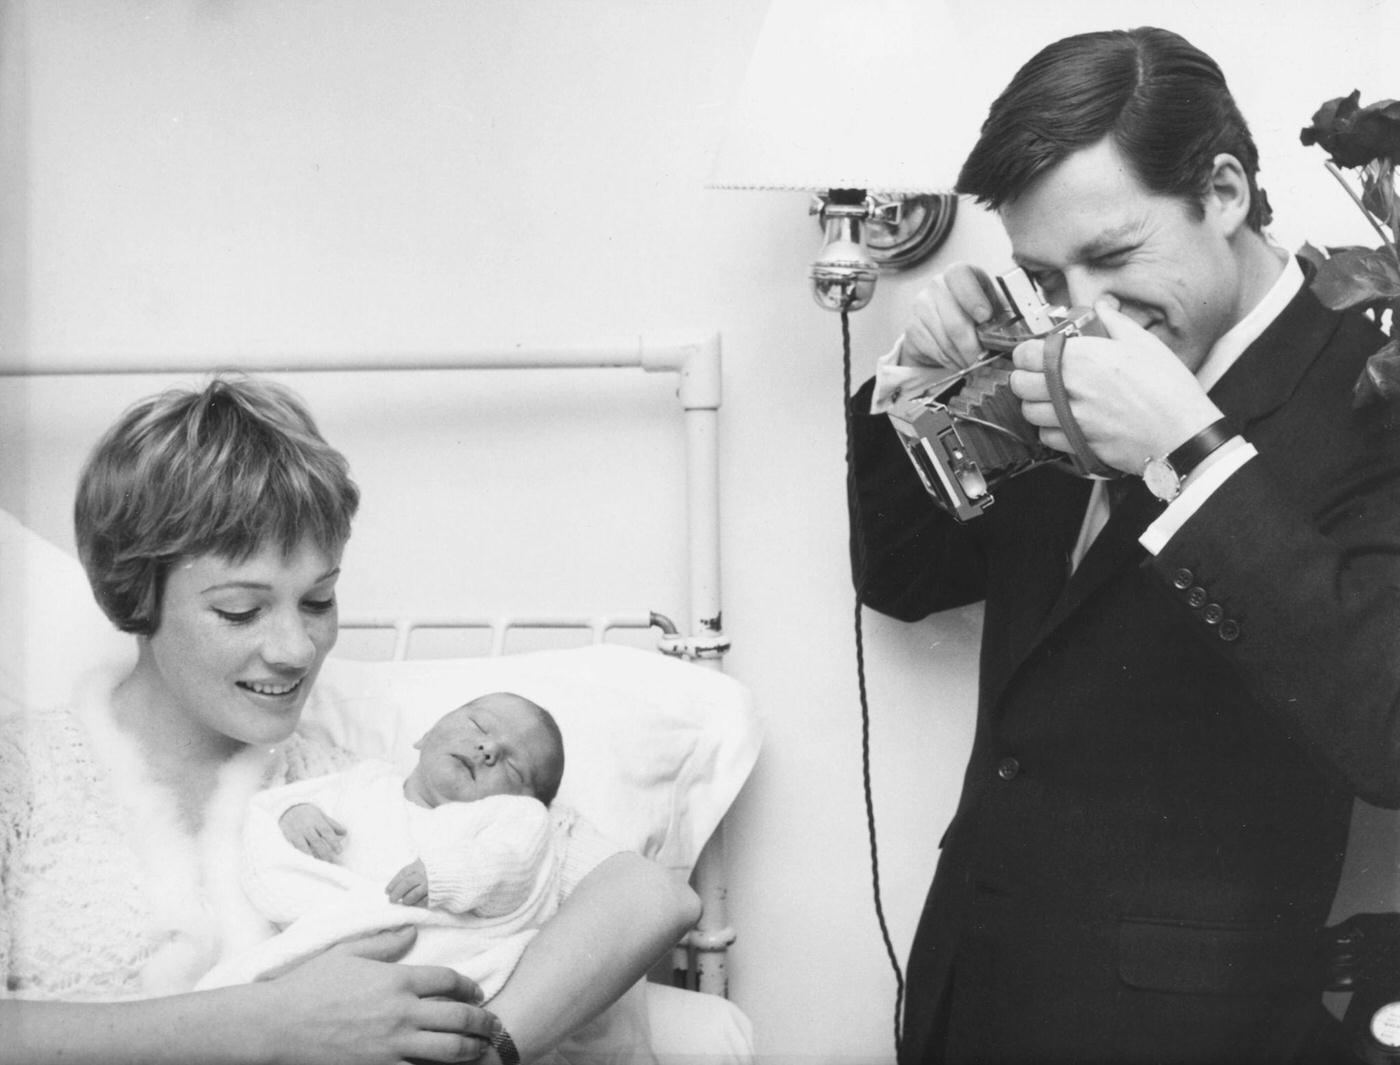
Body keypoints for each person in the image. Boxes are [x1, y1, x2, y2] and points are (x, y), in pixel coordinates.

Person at [848, 26, 1400, 1065]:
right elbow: (905, 577)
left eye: (1111, 256)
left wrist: (1189, 456)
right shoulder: (1053, 347)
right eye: (1046, 276)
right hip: (969, 982)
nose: (1084, 313)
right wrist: (908, 383)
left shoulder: (1372, 389)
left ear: (1224, 190)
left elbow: (1387, 729)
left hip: (1185, 1028)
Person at [0, 374, 700, 1065]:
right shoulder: (23, 776)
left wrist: (486, 1048)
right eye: (240, 610)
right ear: (137, 593)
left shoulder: (369, 782)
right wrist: (265, 1025)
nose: (296, 649)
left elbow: (650, 894)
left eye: (317, 600)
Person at [200, 693, 570, 1000]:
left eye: (514, 765)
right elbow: (269, 810)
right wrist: (296, 816)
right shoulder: (366, 780)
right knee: (237, 990)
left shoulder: (514, 814)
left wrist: (448, 875)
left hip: (419, 955)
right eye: (478, 725)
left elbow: (510, 864)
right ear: (426, 734)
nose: (488, 748)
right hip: (321, 935)